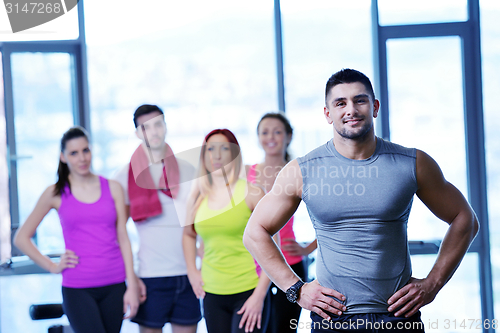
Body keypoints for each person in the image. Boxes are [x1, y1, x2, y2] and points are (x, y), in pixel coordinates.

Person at [243, 68, 479, 332]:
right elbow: (254, 232)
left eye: (360, 100)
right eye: (340, 103)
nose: (351, 110)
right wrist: (296, 290)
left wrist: (433, 284)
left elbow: (465, 218)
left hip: (398, 317)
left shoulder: (412, 163)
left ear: (375, 106)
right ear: (327, 114)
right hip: (333, 319)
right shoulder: (302, 170)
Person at [14, 126, 139, 333]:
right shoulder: (55, 192)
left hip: (115, 284)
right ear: (63, 157)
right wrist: (52, 266)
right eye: (74, 153)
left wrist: (132, 284)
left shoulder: (113, 188)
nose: (81, 158)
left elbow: (123, 239)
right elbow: (21, 238)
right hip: (78, 288)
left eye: (85, 150)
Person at [113, 104, 201, 333]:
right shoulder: (124, 177)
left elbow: (199, 225)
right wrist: (131, 279)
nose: (153, 131)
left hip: (188, 273)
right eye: (146, 127)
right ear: (137, 133)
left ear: (165, 126)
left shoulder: (188, 170)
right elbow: (118, 233)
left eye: (158, 124)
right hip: (150, 277)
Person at [183, 129, 271, 333]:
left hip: (248, 291)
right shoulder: (197, 196)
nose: (217, 154)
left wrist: (259, 296)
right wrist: (192, 271)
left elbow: (274, 248)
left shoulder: (253, 192)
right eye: (210, 149)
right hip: (212, 294)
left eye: (224, 148)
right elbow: (188, 235)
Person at [247, 112, 317, 333]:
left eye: (277, 132)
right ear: (258, 137)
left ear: (288, 136)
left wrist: (308, 248)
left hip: (291, 264)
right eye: (265, 132)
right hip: (255, 266)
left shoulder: (298, 172)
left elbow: (329, 215)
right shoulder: (248, 174)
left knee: (285, 329)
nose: (271, 137)